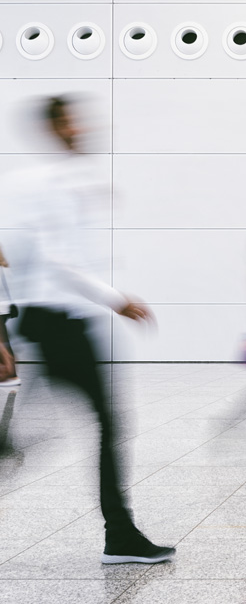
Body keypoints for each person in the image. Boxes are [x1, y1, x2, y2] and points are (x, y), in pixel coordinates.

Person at [2, 96, 174, 564]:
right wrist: (118, 299)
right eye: (73, 121)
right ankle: (119, 535)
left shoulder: (63, 179)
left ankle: (119, 533)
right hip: (57, 322)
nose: (83, 128)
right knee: (109, 421)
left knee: (47, 428)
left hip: (57, 321)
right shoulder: (42, 183)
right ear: (56, 127)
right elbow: (53, 261)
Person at [0, 245, 19, 389]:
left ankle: (11, 374)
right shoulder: (5, 268)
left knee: (3, 342)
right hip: (5, 309)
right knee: (3, 340)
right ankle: (8, 372)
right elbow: (11, 290)